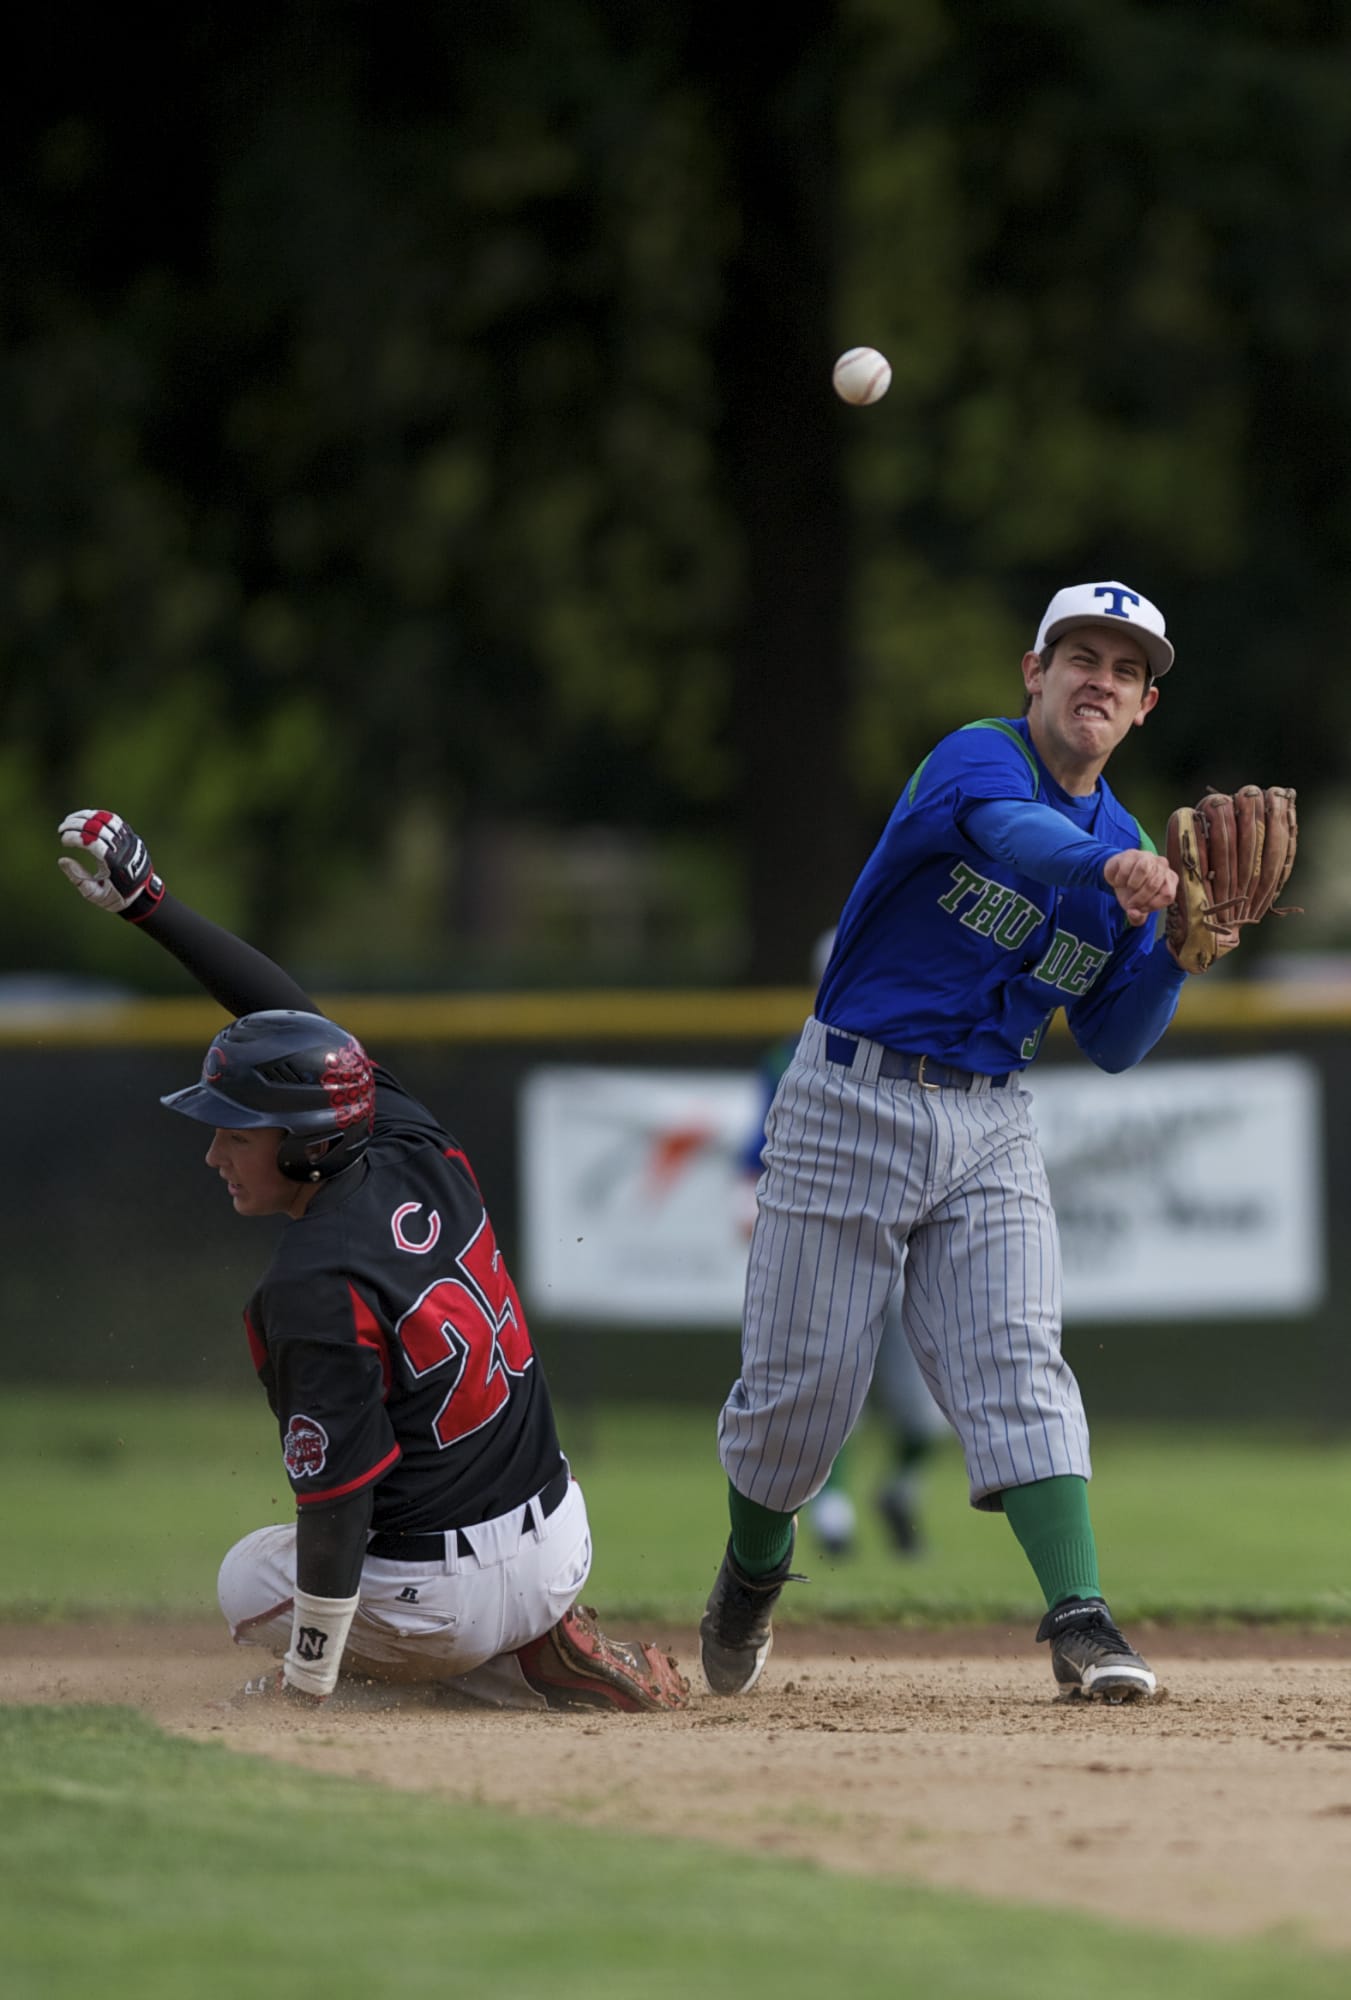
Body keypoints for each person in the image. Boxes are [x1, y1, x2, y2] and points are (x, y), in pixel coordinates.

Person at [700, 580, 1224, 1704]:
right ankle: (751, 1567)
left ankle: (1079, 1617)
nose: (1101, 678)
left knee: (1018, 1357)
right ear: (1031, 673)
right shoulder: (976, 759)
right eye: (1080, 654)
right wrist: (1111, 874)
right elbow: (1013, 835)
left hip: (990, 1117)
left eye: (1126, 670)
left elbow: (1113, 1038)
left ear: (1141, 711)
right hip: (850, 1095)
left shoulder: (1129, 848)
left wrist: (1175, 956)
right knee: (798, 1402)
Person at [57, 807, 689, 1715]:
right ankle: (540, 1646)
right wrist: (147, 904)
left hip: (450, 1599)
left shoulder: (313, 1280)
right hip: (562, 1542)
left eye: (235, 1131)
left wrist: (308, 1683)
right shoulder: (410, 1138)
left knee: (246, 1580)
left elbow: (340, 1506)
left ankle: (495, 1662)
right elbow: (287, 1018)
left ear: (308, 1139)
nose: (214, 1153)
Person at [739, 932, 950, 1562]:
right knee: (830, 1383)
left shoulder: (928, 1055)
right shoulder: (792, 1061)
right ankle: (832, 1513)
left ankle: (899, 1487)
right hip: (834, 1243)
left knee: (929, 1413)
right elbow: (756, 1150)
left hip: (913, 1254)